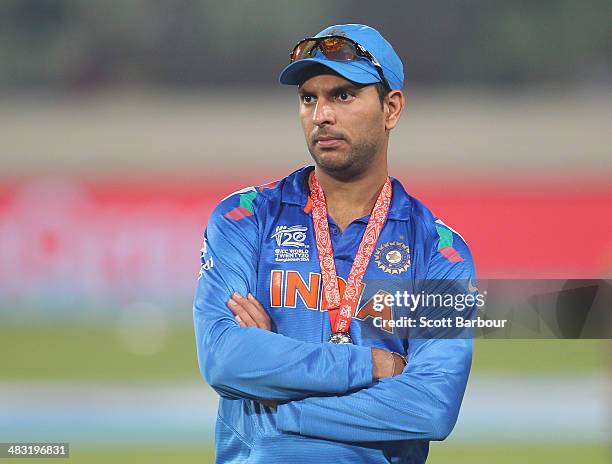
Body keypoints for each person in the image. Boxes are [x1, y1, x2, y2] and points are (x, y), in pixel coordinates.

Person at [193, 23, 476, 464]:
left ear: (391, 109)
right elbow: (224, 359)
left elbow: (431, 407)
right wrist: (372, 366)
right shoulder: (244, 218)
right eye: (309, 98)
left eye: (343, 95)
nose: (321, 113)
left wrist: (276, 401)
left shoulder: (440, 252)